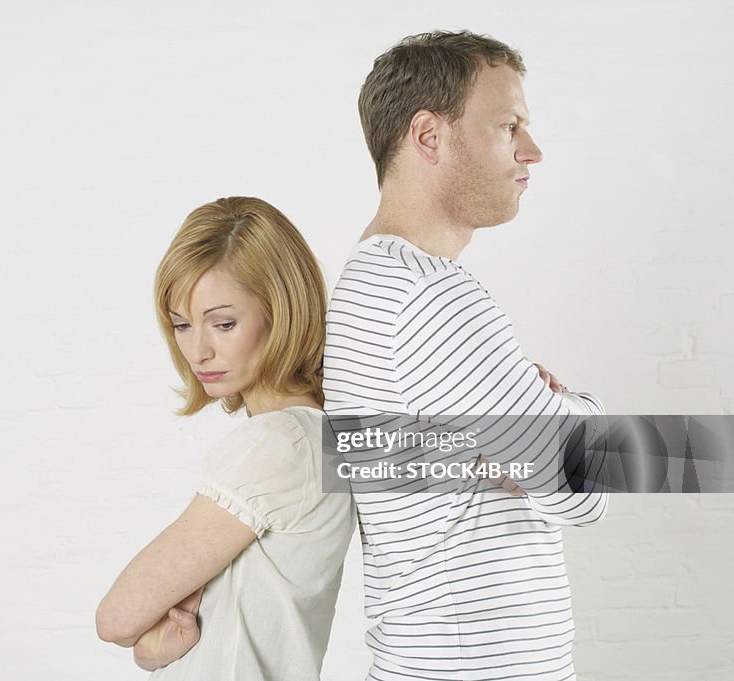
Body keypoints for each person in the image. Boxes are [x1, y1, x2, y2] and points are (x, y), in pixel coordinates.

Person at [323, 31, 608, 680]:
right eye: (509, 126)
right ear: (429, 136)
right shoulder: (427, 295)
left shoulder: (373, 281)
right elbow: (588, 486)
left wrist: (525, 440)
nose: (532, 151)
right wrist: (565, 410)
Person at [96, 196, 356, 679]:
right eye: (181, 325)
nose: (198, 350)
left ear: (281, 312)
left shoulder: (277, 444)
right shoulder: (326, 437)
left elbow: (114, 618)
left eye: (224, 323)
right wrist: (150, 648)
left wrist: (144, 639)